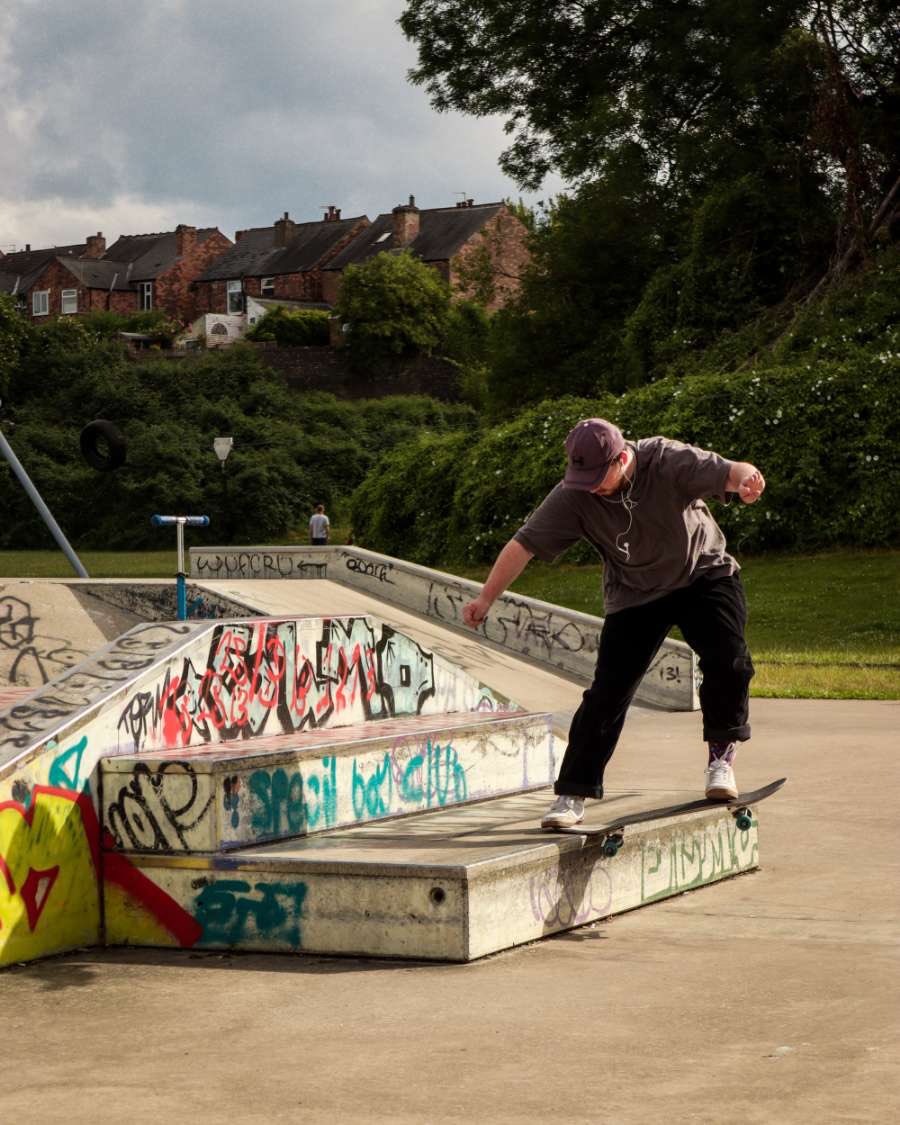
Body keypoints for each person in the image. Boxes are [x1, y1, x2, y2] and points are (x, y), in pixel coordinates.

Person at [461, 417, 765, 830]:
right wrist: (485, 597)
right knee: (608, 692)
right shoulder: (573, 493)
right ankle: (573, 792)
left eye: (598, 478)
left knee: (729, 659)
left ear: (623, 458)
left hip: (703, 574)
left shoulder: (667, 459)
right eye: (582, 479)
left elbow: (731, 470)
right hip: (635, 592)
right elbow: (524, 545)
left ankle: (720, 758)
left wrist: (748, 481)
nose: (592, 488)